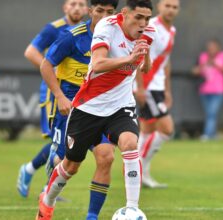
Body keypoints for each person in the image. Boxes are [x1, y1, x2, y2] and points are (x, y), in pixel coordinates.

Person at [36, 0, 156, 219]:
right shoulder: (106, 27)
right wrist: (130, 58)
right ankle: (47, 201)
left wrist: (143, 53)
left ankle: (131, 209)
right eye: (138, 17)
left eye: (147, 18)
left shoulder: (148, 31)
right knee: (70, 166)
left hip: (121, 106)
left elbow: (144, 68)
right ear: (125, 13)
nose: (143, 23)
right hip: (88, 107)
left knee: (127, 145)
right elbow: (99, 64)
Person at [40, 0, 118, 219]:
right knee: (66, 164)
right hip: (70, 108)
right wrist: (60, 96)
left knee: (106, 156)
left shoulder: (117, 37)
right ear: (90, 10)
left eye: (110, 12)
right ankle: (48, 197)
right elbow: (45, 65)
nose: (104, 16)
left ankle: (92, 216)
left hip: (99, 108)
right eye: (100, 11)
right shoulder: (72, 36)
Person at [17, 0, 88, 198]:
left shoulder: (89, 31)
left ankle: (37, 177)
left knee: (66, 140)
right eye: (73, 3)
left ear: (87, 9)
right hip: (53, 91)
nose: (77, 7)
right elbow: (31, 51)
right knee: (58, 139)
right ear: (65, 7)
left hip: (77, 94)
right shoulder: (55, 29)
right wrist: (53, 69)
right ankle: (37, 178)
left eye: (81, 4)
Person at [134, 0, 179, 188]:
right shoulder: (151, 26)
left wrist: (167, 90)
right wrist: (140, 87)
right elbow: (137, 55)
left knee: (148, 131)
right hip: (148, 86)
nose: (171, 10)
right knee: (167, 129)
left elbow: (165, 61)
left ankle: (140, 174)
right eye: (167, 5)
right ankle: (138, 169)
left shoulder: (172, 30)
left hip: (158, 87)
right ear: (159, 6)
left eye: (175, 7)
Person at [192, 39, 223, 140]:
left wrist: (216, 64)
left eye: (213, 47)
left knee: (212, 113)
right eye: (209, 47)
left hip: (219, 91)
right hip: (204, 90)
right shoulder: (202, 57)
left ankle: (207, 134)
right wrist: (204, 65)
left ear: (218, 48)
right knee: (210, 114)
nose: (211, 49)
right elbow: (194, 71)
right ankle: (213, 135)